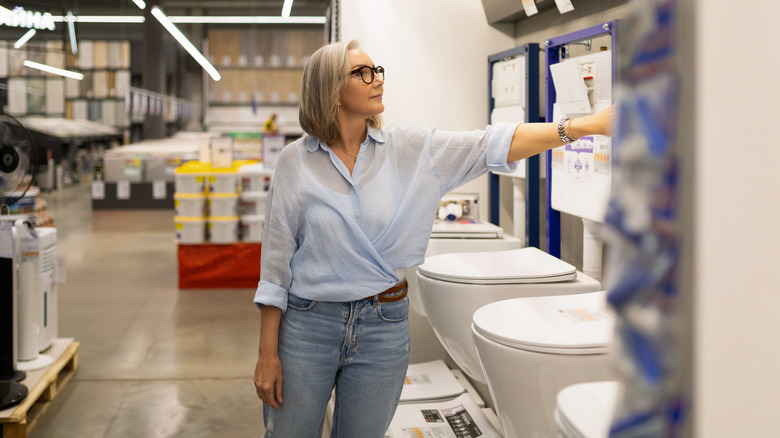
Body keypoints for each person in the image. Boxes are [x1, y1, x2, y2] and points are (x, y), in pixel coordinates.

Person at [253, 40, 613, 437]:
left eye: (378, 70)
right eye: (364, 73)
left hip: (382, 323)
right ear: (331, 89)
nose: (378, 81)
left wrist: (586, 126)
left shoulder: (412, 149)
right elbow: (275, 267)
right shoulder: (294, 162)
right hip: (308, 326)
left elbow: (494, 141)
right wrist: (267, 353)